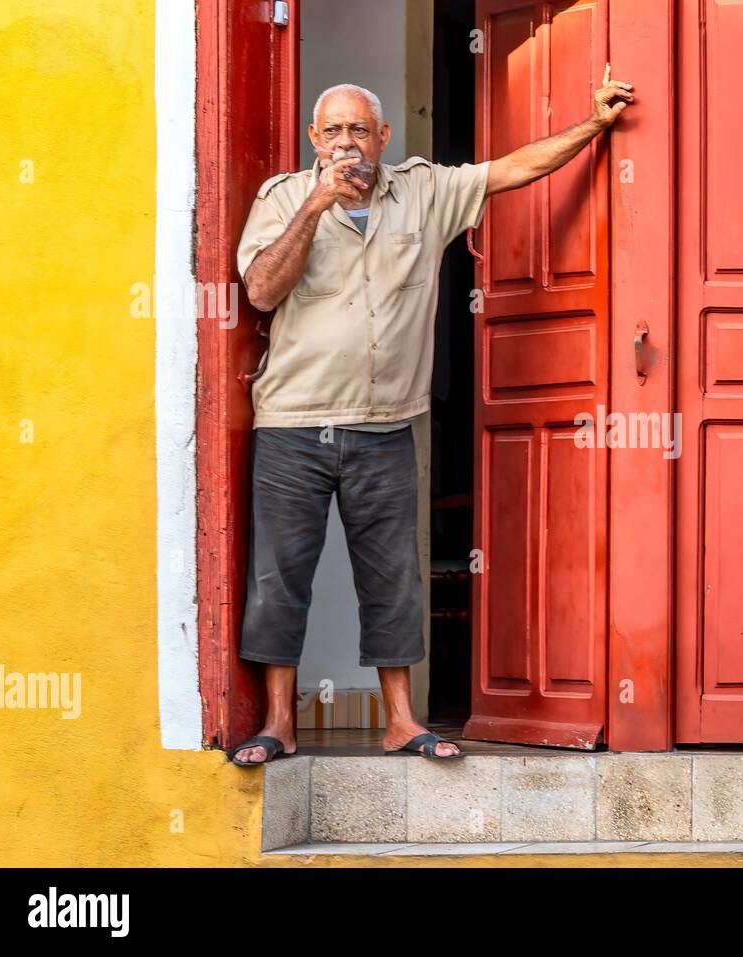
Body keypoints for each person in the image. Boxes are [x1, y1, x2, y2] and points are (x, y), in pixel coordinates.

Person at [227, 68, 634, 765]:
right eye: (333, 132)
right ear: (313, 140)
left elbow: (513, 169)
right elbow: (261, 290)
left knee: (392, 577)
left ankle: (400, 721)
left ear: (383, 136)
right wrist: (316, 205)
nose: (347, 144)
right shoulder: (284, 199)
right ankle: (278, 724)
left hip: (386, 422)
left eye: (360, 130)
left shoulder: (423, 191)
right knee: (278, 577)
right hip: (294, 422)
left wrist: (593, 124)